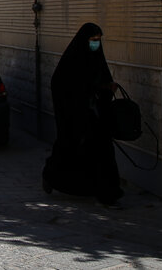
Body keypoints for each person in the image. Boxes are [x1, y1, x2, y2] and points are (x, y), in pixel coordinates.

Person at [42, 22, 123, 206]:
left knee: (103, 152)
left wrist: (107, 88)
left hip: (95, 115)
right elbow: (65, 84)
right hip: (75, 116)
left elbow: (101, 79)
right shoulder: (73, 59)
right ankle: (50, 176)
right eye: (93, 40)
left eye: (98, 41)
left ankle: (108, 193)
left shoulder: (96, 58)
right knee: (68, 149)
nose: (96, 44)